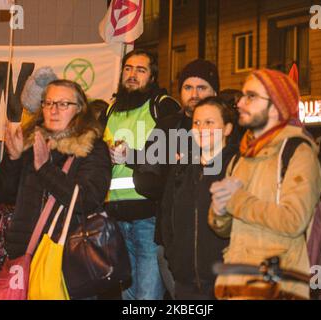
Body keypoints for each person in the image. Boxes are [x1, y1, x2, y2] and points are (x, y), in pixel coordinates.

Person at [208, 68, 321, 300]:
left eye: (251, 96)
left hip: (276, 287)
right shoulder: (242, 155)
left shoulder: (298, 152)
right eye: (242, 96)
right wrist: (219, 212)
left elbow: (293, 221)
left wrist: (236, 200)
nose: (240, 103)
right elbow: (224, 228)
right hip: (236, 284)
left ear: (277, 106)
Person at [0, 80, 111, 266]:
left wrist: (46, 169)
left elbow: (86, 200)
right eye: (48, 103)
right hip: (24, 254)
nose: (53, 110)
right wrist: (13, 159)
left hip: (66, 258)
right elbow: (4, 195)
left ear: (79, 109)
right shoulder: (33, 143)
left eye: (63, 104)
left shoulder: (91, 149)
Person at [131, 58, 221, 299]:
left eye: (201, 87)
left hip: (218, 244)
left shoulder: (229, 127)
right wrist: (174, 179)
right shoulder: (168, 126)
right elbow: (145, 178)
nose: (194, 94)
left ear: (215, 91)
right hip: (172, 243)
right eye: (187, 87)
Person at [101, 49, 180, 300]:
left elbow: (170, 154)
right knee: (128, 297)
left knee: (147, 298)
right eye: (128, 68)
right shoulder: (111, 109)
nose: (132, 74)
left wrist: (131, 156)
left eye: (140, 70)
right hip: (115, 216)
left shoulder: (163, 106)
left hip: (149, 217)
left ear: (152, 77)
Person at [160, 96, 238, 299]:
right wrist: (174, 256)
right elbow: (166, 215)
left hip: (226, 282)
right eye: (197, 123)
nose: (201, 128)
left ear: (228, 128)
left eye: (209, 122)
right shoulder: (182, 168)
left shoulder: (238, 167)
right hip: (185, 282)